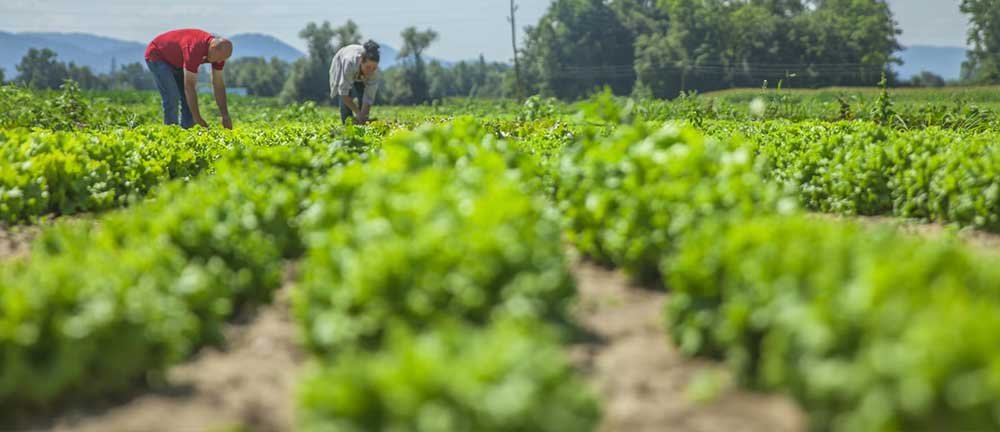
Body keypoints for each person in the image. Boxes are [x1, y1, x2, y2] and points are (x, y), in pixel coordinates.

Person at [145, 29, 233, 129]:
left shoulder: (219, 55)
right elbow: (189, 86)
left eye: (223, 59)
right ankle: (171, 133)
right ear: (212, 48)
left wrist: (225, 115)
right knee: (172, 97)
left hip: (178, 62)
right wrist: (197, 118)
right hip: (158, 55)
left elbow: (218, 85)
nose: (220, 61)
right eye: (219, 58)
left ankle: (186, 134)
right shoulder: (194, 49)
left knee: (188, 102)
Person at [329, 40, 381, 124]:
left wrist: (363, 115)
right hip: (342, 60)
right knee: (345, 99)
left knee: (362, 96)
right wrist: (358, 112)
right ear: (361, 61)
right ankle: (347, 124)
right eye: (368, 67)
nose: (371, 71)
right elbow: (343, 94)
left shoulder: (375, 73)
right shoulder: (348, 63)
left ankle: (361, 123)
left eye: (374, 68)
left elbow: (368, 98)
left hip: (359, 74)